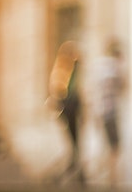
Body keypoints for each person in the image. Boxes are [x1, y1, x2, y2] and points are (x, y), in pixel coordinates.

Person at [48, 40, 84, 183]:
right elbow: (58, 89)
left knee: (75, 141)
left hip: (73, 107)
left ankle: (78, 170)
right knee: (72, 141)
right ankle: (74, 169)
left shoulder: (74, 69)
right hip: (67, 107)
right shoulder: (62, 69)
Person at [94, 38, 126, 186]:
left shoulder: (100, 66)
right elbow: (123, 85)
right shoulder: (113, 67)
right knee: (114, 147)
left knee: (106, 145)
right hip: (110, 112)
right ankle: (112, 179)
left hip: (100, 111)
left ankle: (105, 177)